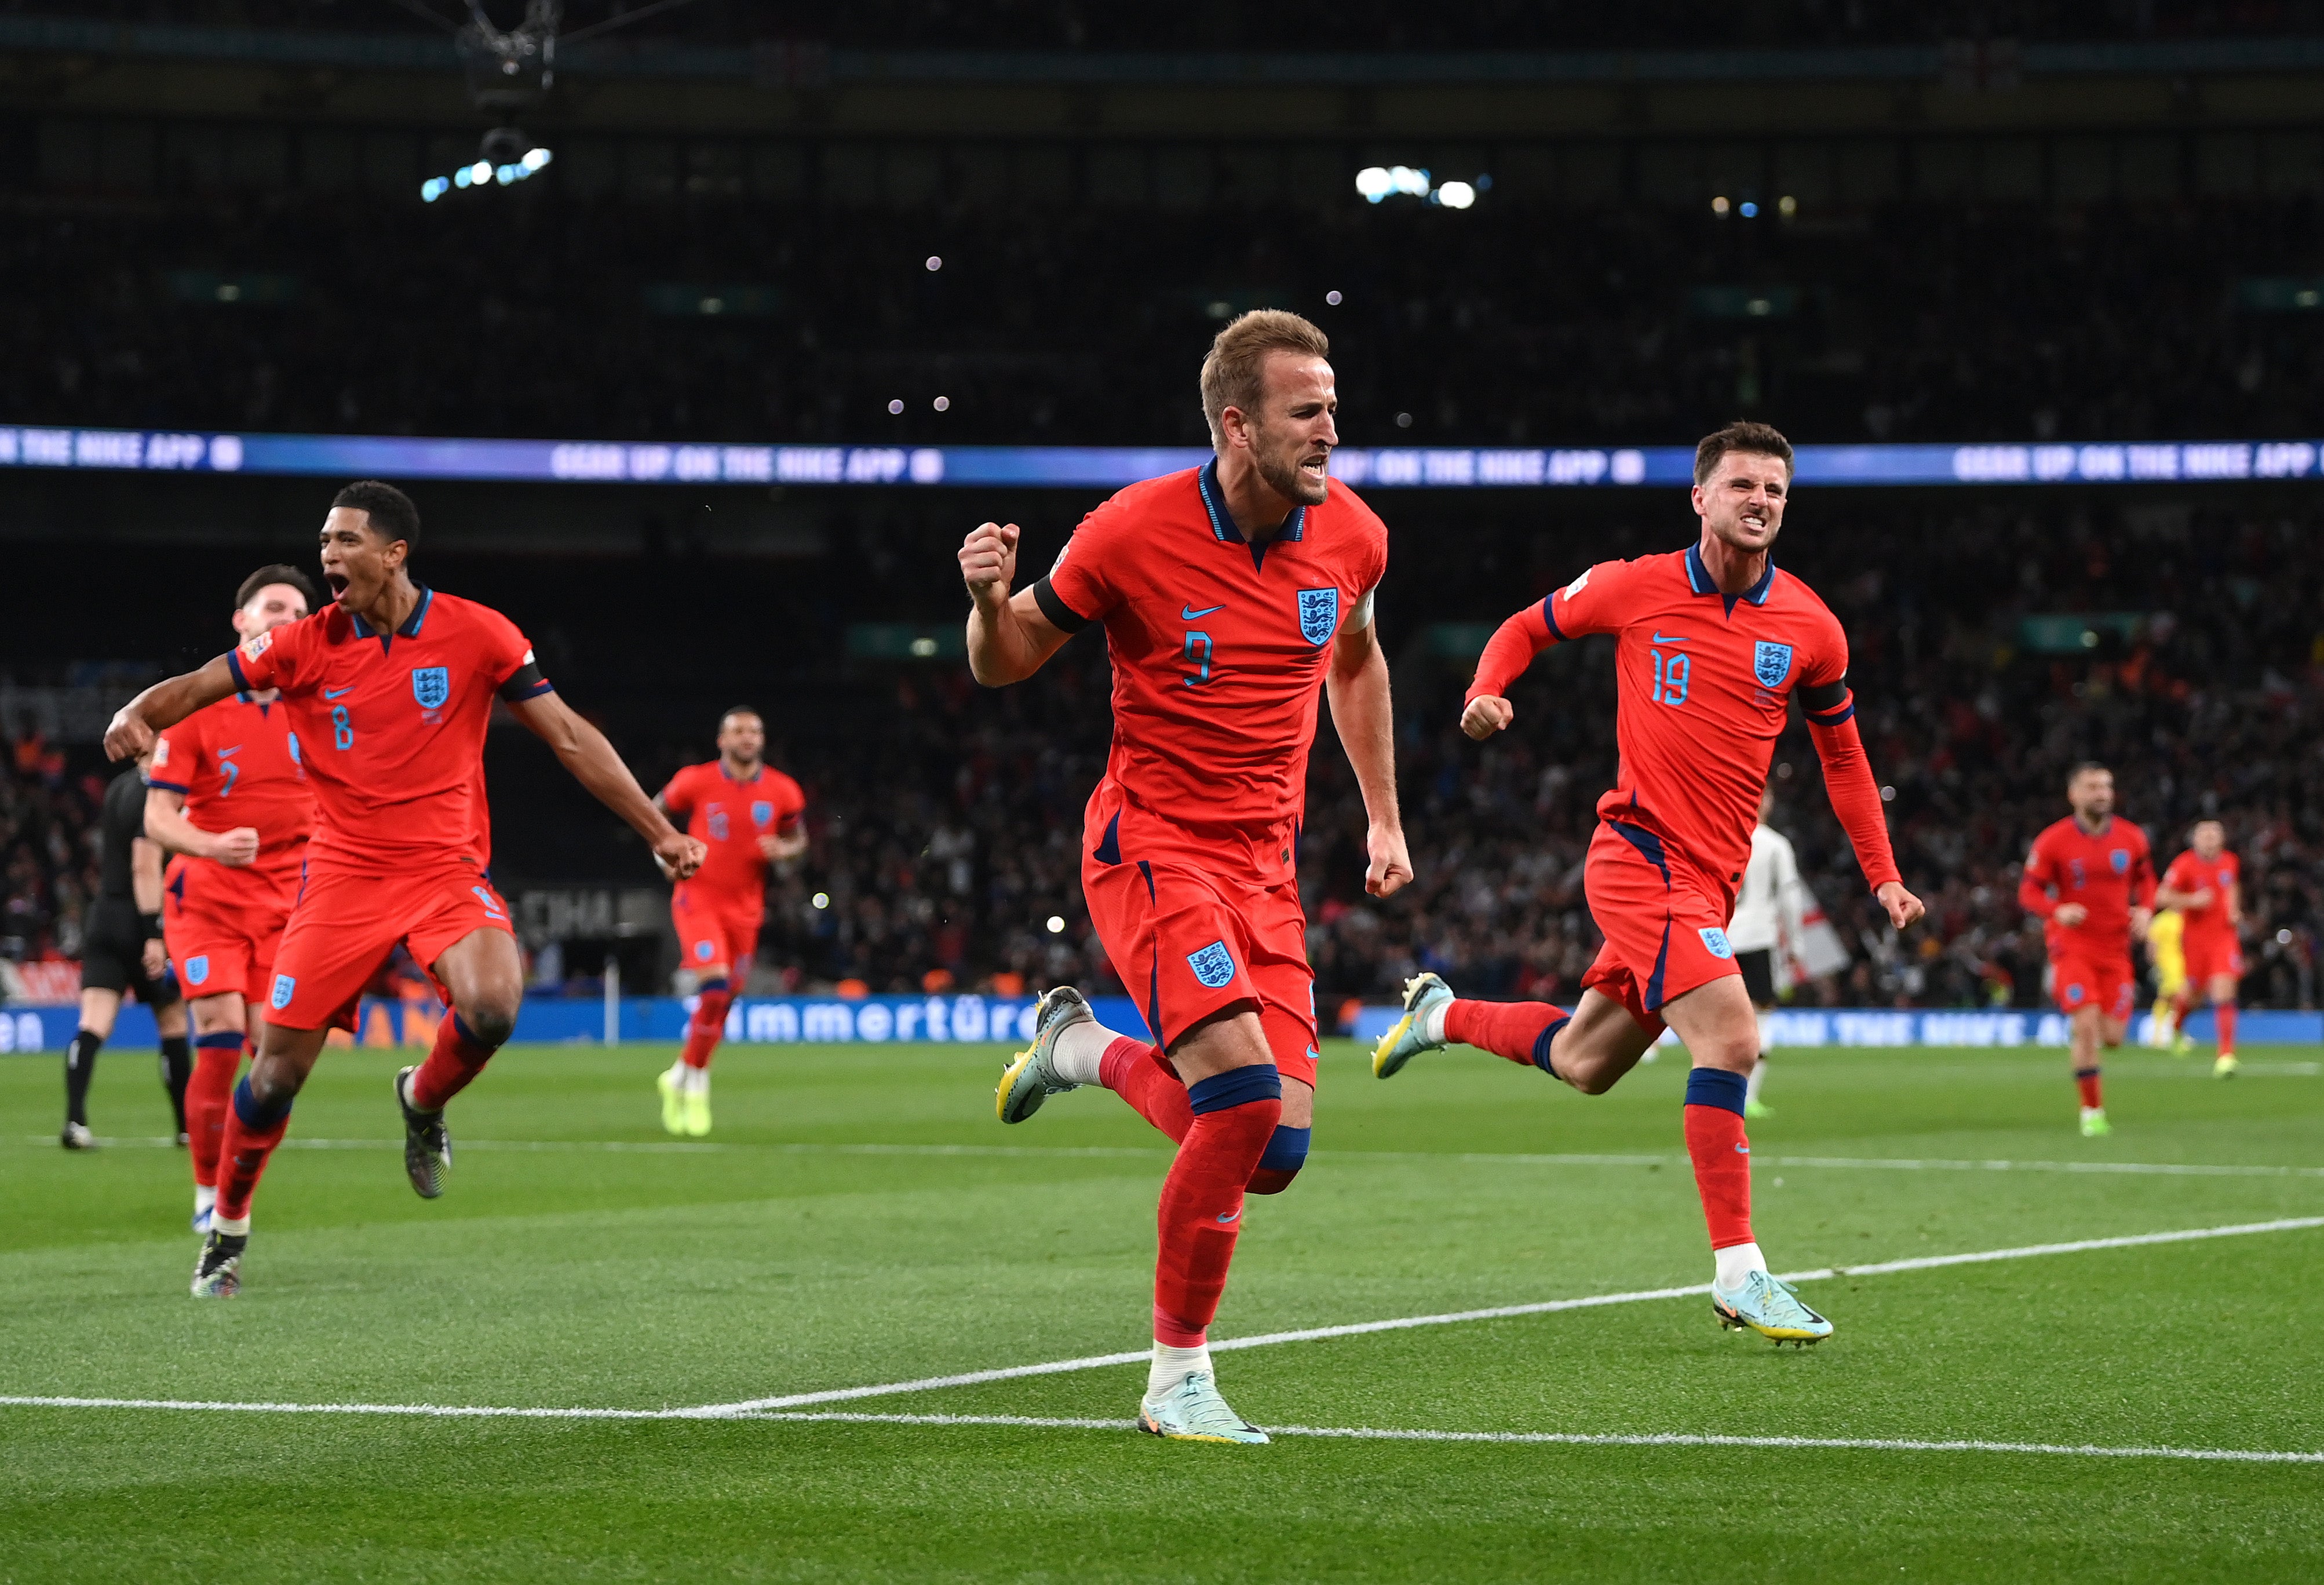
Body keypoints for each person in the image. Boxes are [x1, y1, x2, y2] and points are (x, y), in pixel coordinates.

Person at [1370, 420, 1924, 1347]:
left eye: (1775, 491)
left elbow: (1843, 756)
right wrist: (1487, 687)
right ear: (1699, 497)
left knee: (1586, 1064)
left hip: (1709, 883)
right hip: (1638, 857)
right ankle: (1739, 1271)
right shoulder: (1634, 585)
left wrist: (1883, 874)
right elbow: (1524, 626)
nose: (1759, 502)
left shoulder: (1811, 628)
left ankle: (1440, 1015)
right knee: (1733, 1037)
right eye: (1741, 485)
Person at [965, 310, 1407, 1442]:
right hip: (1151, 844)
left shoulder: (1351, 534)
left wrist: (1381, 817)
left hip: (1264, 866)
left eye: (1333, 410)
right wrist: (982, 601)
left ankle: (1079, 1047)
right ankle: (1175, 1376)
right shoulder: (1130, 531)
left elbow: (1354, 659)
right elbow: (1009, 657)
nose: (1328, 433)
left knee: (1276, 1153)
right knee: (1243, 1099)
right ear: (1235, 422)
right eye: (1305, 412)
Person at [104, 480, 705, 1298]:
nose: (328, 555)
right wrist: (139, 710)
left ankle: (421, 1099)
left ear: (394, 553)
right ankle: (228, 1227)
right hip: (341, 879)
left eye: (345, 540)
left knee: (494, 1005)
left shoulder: (478, 633)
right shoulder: (304, 644)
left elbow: (567, 735)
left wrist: (658, 831)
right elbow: (204, 681)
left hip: (443, 871)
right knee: (277, 1074)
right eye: (323, 541)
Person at [142, 566, 318, 1233]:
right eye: (272, 606)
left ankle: (235, 1196)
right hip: (208, 898)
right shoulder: (199, 708)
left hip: (292, 909)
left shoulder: (322, 707)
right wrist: (212, 846)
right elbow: (159, 819)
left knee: (277, 1067)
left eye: (296, 611)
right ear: (240, 621)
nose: (284, 618)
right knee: (218, 1039)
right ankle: (204, 1194)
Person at [652, 708, 807, 1135]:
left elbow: (799, 839)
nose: (747, 737)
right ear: (721, 739)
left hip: (747, 910)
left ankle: (681, 1074)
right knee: (715, 988)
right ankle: (698, 1084)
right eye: (738, 730)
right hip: (697, 899)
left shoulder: (783, 791)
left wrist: (785, 850)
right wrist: (663, 854)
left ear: (762, 739)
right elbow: (652, 813)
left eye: (754, 730)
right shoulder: (695, 780)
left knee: (724, 1001)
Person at [2017, 763, 2154, 1136]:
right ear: (2074, 795)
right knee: (2088, 1027)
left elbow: (2146, 880)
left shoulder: (2132, 837)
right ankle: (2092, 1112)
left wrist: (2145, 909)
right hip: (2072, 947)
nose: (2102, 794)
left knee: (2113, 1037)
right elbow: (2028, 892)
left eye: (2107, 787)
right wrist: (2057, 909)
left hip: (2117, 949)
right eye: (2093, 787)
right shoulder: (2053, 840)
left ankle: (2083, 1039)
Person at [61, 758, 190, 1149]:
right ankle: (186, 1127)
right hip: (142, 917)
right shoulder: (158, 792)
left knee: (93, 1023)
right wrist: (154, 932)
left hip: (104, 915)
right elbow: (144, 865)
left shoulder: (120, 786)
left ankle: (74, 1120)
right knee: (172, 1023)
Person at [1727, 784, 1811, 1120]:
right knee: (1760, 1020)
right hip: (1758, 940)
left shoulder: (1720, 838)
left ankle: (1716, 1097)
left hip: (1719, 939)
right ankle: (1748, 1098)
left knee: (1718, 1022)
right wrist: (1796, 945)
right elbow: (1790, 898)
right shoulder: (1775, 844)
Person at [2156, 819, 2242, 1078]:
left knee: (2224, 991)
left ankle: (2226, 1055)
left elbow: (2232, 885)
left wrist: (2234, 909)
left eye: (2215, 834)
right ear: (2195, 840)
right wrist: (2192, 900)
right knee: (2193, 996)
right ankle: (2178, 1026)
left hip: (2224, 938)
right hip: (2195, 942)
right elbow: (2161, 897)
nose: (2209, 839)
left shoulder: (2230, 861)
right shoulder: (2184, 865)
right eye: (2204, 834)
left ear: (2223, 839)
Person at [2142, 903, 2190, 1051]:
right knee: (2173, 996)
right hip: (2167, 964)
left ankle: (2167, 1033)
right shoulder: (2162, 920)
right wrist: (2155, 964)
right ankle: (2164, 1034)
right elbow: (2152, 945)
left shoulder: (2183, 918)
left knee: (2170, 997)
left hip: (2181, 962)